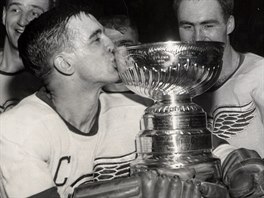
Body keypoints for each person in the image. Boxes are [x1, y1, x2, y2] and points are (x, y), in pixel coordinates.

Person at [173, 0, 264, 197]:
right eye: (188, 26)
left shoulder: (259, 75)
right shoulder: (177, 89)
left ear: (229, 24)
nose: (197, 37)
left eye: (208, 25)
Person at [0, 0, 56, 113]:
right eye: (15, 10)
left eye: (34, 13)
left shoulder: (52, 81)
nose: (22, 21)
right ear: (4, 15)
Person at [100, 14, 139, 93]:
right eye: (107, 47)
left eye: (126, 45)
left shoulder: (160, 96)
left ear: (139, 51)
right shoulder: (81, 102)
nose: (116, 55)